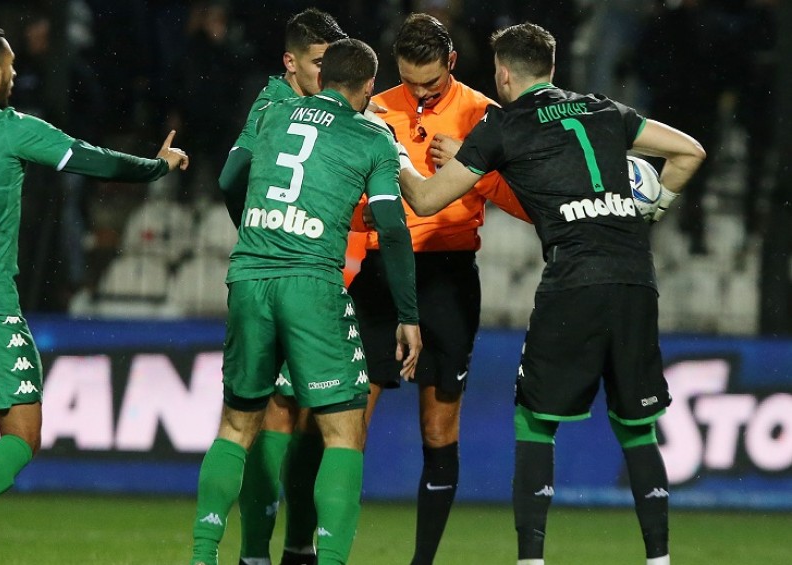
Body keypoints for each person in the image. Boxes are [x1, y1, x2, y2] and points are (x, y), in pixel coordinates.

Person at [0, 23, 188, 565]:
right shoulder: (11, 128)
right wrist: (157, 167)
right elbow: (90, 158)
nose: (17, 74)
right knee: (23, 435)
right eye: (12, 65)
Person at [397, 23, 705, 565]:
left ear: (503, 74)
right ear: (553, 68)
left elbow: (424, 202)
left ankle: (531, 559)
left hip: (573, 281)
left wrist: (394, 153)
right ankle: (659, 559)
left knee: (536, 420)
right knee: (636, 426)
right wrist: (652, 211)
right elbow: (690, 152)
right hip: (635, 279)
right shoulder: (603, 109)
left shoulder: (503, 124)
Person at [191, 38, 422, 565]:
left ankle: (204, 555)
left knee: (236, 426)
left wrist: (262, 230)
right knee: (343, 432)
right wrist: (408, 314)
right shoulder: (373, 135)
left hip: (250, 275)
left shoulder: (272, 112)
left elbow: (230, 179)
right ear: (369, 87)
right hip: (311, 282)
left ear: (321, 77)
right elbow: (392, 227)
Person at [347, 13, 530, 565]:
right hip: (381, 273)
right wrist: (363, 216)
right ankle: (320, 550)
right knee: (348, 421)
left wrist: (475, 170)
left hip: (448, 277)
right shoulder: (373, 109)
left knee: (438, 424)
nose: (421, 94)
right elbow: (345, 196)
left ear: (451, 61)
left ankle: (422, 562)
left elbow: (526, 203)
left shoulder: (484, 114)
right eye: (410, 82)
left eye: (430, 83)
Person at [216, 8, 348, 565]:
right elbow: (230, 180)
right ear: (290, 62)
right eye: (319, 63)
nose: (328, 74)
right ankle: (264, 550)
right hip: (300, 278)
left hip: (294, 275)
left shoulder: (286, 104)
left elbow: (230, 180)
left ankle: (280, 549)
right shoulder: (277, 104)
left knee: (296, 416)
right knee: (292, 415)